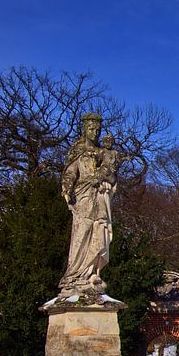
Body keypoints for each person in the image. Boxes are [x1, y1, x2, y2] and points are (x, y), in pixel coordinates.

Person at [58, 113, 121, 299]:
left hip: (99, 197)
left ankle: (91, 274)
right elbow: (70, 173)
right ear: (84, 130)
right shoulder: (78, 151)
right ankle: (74, 276)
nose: (94, 133)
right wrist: (67, 188)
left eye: (97, 130)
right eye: (91, 129)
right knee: (82, 233)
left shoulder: (103, 153)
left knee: (98, 235)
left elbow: (111, 175)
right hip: (83, 198)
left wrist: (106, 177)